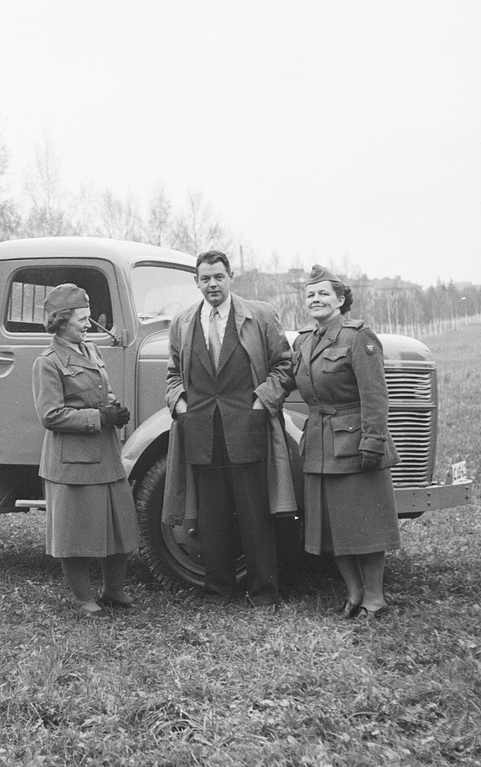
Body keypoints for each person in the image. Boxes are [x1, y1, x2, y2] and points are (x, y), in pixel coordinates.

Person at [164, 250, 294, 608]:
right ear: (196, 282)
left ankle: (264, 593)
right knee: (211, 517)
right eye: (205, 279)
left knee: (255, 514)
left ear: (230, 276)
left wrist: (259, 402)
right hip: (202, 431)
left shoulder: (260, 315)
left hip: (248, 427)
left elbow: (285, 367)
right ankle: (217, 591)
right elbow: (173, 374)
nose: (212, 285)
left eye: (218, 277)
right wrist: (181, 405)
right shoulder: (184, 322)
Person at [291, 265, 400, 618]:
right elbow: (289, 380)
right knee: (332, 528)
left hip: (354, 444)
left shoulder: (358, 337)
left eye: (324, 293)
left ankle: (375, 598)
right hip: (319, 445)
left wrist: (373, 441)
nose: (316, 299)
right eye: (310, 294)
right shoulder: (304, 340)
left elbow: (375, 395)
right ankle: (354, 594)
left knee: (363, 527)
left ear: (340, 300)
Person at [32, 283, 139, 618]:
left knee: (119, 524)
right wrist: (98, 417)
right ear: (62, 320)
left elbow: (99, 393)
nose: (88, 324)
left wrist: (114, 410)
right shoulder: (47, 362)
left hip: (105, 453)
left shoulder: (90, 350)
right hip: (72, 460)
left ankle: (113, 591)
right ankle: (82, 599)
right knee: (75, 533)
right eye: (82, 318)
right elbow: (50, 415)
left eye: (88, 317)